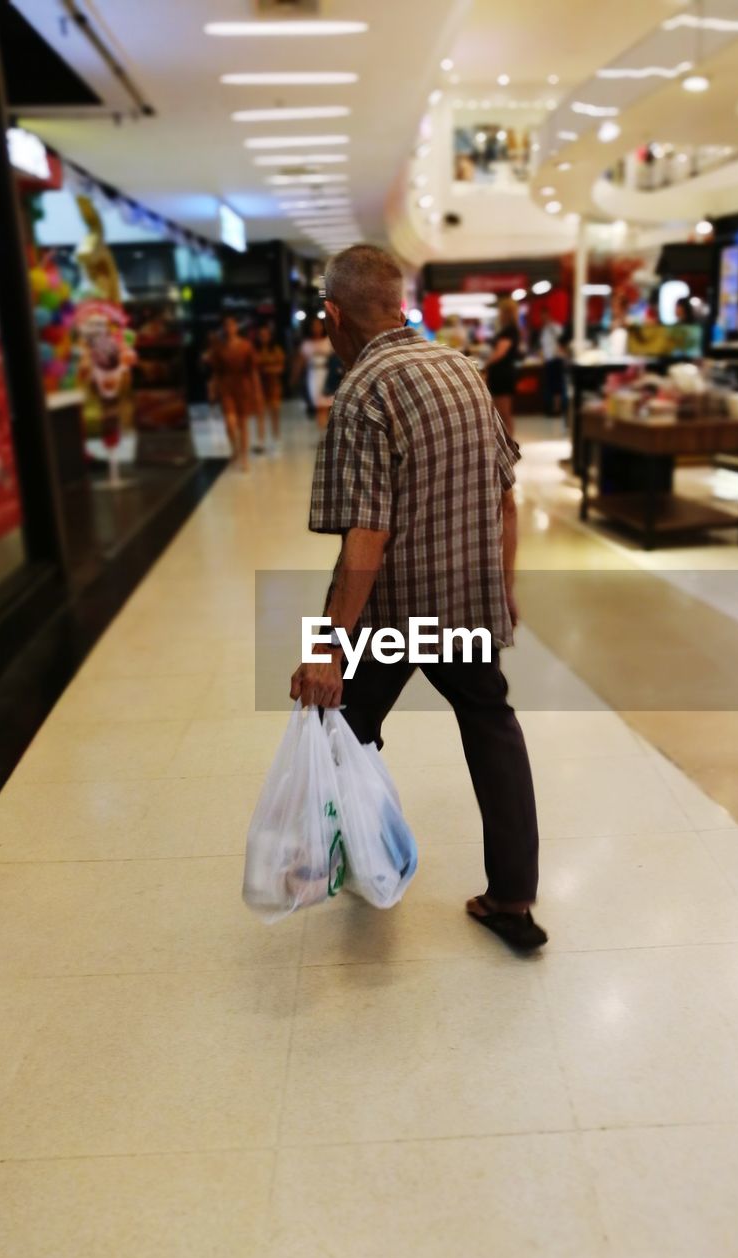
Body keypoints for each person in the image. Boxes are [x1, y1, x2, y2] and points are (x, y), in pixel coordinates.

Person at [290, 244, 545, 953]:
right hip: (466, 600)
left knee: (340, 723)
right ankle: (512, 899)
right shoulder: (462, 370)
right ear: (399, 304)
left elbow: (365, 542)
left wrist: (324, 649)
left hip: (395, 613)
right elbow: (505, 498)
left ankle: (356, 859)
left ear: (333, 315)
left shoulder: (363, 393)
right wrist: (506, 585)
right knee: (491, 723)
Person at [209, 315, 256, 470]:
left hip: (243, 386)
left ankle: (244, 456)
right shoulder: (219, 348)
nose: (229, 328)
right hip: (226, 386)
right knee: (230, 422)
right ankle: (234, 448)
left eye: (232, 325)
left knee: (242, 423)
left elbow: (252, 370)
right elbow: (216, 372)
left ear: (236, 327)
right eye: (226, 325)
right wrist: (213, 389)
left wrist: (256, 390)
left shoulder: (246, 346)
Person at [485, 296, 522, 439]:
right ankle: (507, 440)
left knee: (504, 411)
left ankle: (509, 442)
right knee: (502, 411)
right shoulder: (511, 330)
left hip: (502, 374)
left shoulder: (509, 331)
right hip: (503, 373)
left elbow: (500, 352)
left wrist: (486, 363)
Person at [297, 316, 335, 431]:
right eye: (314, 326)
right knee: (319, 405)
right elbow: (301, 362)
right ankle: (322, 433)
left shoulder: (329, 341)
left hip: (327, 374)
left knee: (329, 405)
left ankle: (329, 432)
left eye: (318, 325)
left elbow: (335, 360)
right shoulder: (306, 344)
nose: (316, 328)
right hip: (313, 375)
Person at [254, 321, 286, 451]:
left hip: (274, 385)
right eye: (261, 335)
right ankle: (261, 441)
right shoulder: (254, 350)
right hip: (259, 386)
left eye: (266, 335)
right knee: (260, 413)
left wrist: (267, 370)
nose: (264, 337)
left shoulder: (276, 350)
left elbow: (281, 368)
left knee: (274, 413)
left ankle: (276, 437)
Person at [539, 318, 568, 421]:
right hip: (548, 360)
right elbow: (544, 346)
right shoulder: (544, 331)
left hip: (556, 359)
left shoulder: (556, 327)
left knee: (557, 386)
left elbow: (562, 341)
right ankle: (552, 408)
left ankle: (558, 408)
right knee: (550, 385)